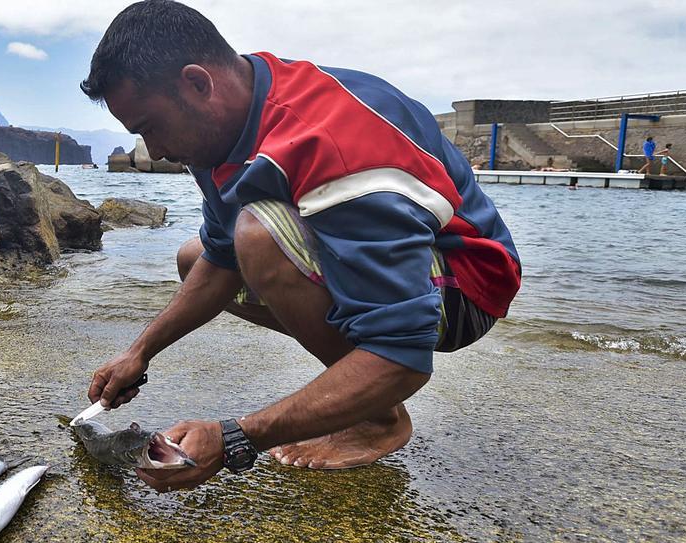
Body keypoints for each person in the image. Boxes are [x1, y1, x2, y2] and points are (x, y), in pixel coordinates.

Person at [79, 0, 521, 492]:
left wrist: (234, 437)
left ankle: (379, 418)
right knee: (196, 258)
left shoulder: (331, 140)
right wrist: (140, 352)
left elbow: (404, 356)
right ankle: (360, 387)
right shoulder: (220, 127)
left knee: (260, 235)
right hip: (376, 255)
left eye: (150, 127)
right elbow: (221, 257)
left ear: (198, 84)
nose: (155, 150)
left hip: (467, 283)